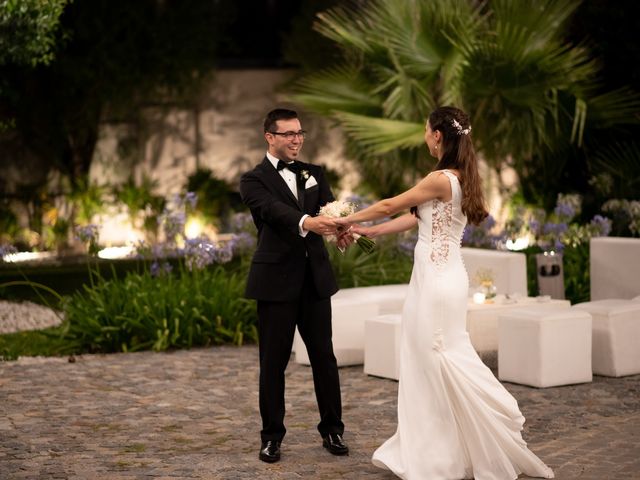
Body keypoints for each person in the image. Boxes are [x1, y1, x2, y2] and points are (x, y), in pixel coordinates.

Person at [334, 106, 554, 479]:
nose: (423, 135)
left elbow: (392, 204)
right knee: (429, 358)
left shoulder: (441, 178)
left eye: (425, 129)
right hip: (441, 278)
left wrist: (344, 219)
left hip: (437, 282)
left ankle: (461, 440)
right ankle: (442, 446)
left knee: (437, 357)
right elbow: (415, 217)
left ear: (438, 135)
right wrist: (369, 232)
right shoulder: (460, 176)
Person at [239, 108, 351, 464]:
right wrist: (308, 221)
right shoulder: (252, 180)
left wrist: (342, 229)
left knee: (325, 359)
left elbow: (329, 210)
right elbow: (273, 211)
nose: (296, 139)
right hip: (275, 283)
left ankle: (333, 430)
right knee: (273, 364)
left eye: (300, 133)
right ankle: (271, 437)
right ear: (269, 136)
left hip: (315, 281)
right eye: (288, 134)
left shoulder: (314, 173)